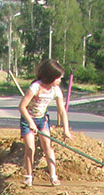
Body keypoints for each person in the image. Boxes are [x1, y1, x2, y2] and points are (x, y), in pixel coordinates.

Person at [18, 59, 72, 187]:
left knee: (47, 146)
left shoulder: (56, 90)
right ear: (51, 76)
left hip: (42, 120)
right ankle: (28, 177)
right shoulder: (35, 87)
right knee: (30, 148)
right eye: (59, 78)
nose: (60, 80)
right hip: (28, 120)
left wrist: (66, 130)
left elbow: (62, 112)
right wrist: (30, 122)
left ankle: (53, 176)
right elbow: (22, 106)